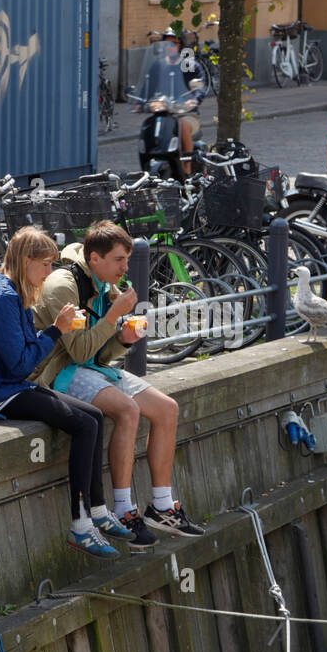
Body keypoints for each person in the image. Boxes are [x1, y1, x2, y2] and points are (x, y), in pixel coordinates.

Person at [31, 221, 202, 543]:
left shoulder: (106, 286)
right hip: (56, 372)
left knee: (167, 409)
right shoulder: (63, 286)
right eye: (120, 260)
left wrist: (123, 339)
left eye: (127, 259)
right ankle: (124, 509)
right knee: (127, 410)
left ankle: (162, 507)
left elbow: (99, 354)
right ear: (95, 258)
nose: (126, 267)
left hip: (87, 367)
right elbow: (79, 352)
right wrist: (113, 317)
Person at [0, 226, 122, 560]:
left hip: (12, 384)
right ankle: (80, 525)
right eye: (46, 264)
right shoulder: (2, 298)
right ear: (26, 262)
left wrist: (53, 331)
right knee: (85, 425)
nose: (50, 272)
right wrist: (56, 330)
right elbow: (20, 364)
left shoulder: (9, 290)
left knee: (93, 415)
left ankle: (98, 509)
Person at [133, 29, 207, 175]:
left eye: (173, 43)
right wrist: (140, 101)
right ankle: (147, 166)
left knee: (182, 125)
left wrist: (194, 99)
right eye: (165, 44)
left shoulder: (189, 66)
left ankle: (187, 168)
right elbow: (148, 86)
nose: (169, 47)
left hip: (186, 113)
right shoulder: (158, 66)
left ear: (180, 45)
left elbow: (199, 85)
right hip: (164, 112)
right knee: (148, 125)